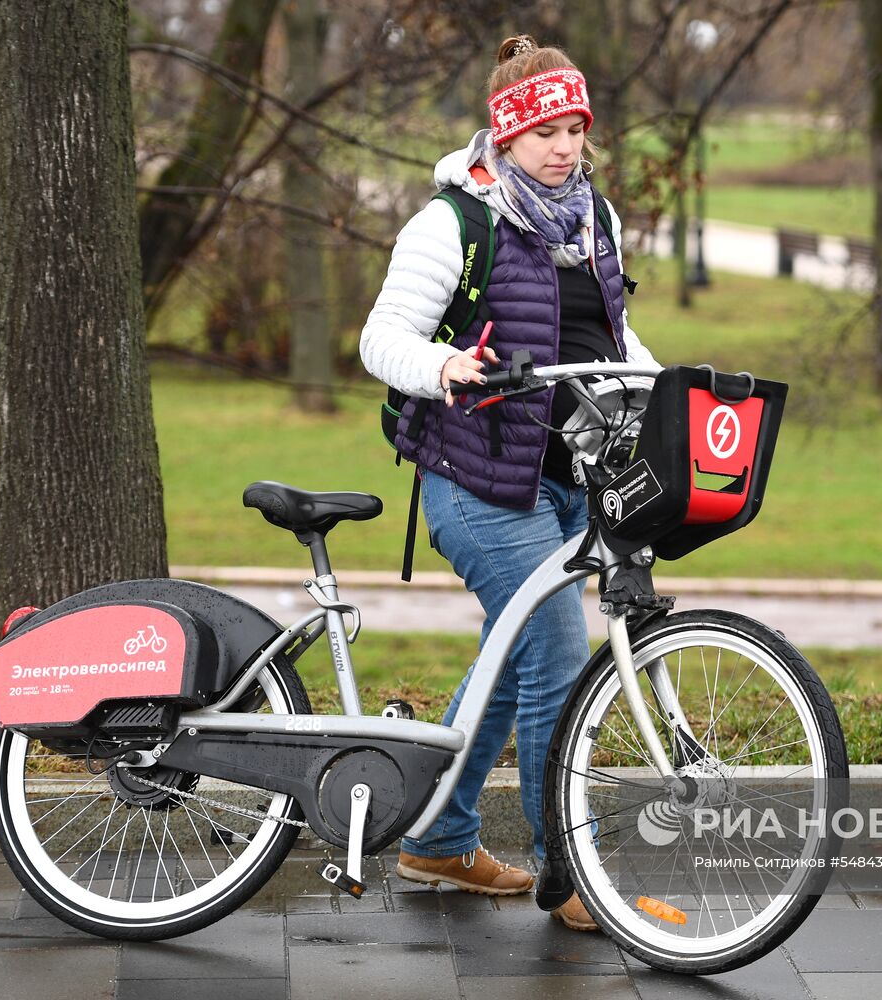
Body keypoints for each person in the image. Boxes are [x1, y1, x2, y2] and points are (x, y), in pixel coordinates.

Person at [359, 35, 657, 931]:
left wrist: (665, 386)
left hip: (570, 475)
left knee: (514, 653)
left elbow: (612, 337)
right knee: (558, 653)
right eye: (545, 133)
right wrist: (446, 366)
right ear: (504, 134)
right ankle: (567, 876)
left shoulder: (591, 217)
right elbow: (381, 338)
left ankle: (438, 839)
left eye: (575, 129)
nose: (565, 147)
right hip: (476, 482)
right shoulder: (455, 221)